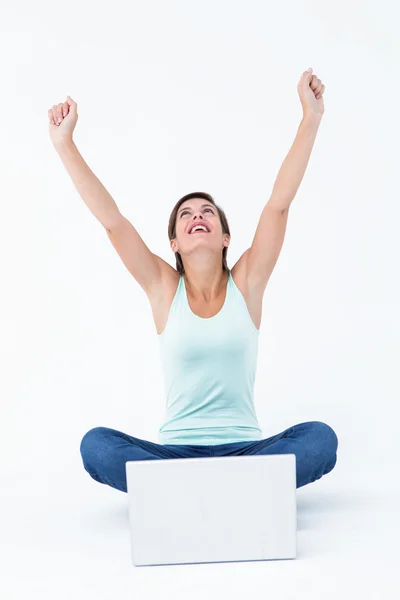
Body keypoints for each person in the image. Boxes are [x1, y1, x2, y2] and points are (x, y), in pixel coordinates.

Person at [48, 69, 337, 494]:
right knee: (97, 446)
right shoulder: (164, 289)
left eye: (207, 212)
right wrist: (64, 144)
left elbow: (278, 205)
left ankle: (190, 494)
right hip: (174, 457)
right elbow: (114, 223)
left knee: (321, 438)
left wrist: (310, 118)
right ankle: (230, 491)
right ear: (175, 244)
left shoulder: (248, 283)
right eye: (186, 215)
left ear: (224, 237)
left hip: (245, 452)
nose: (196, 216)